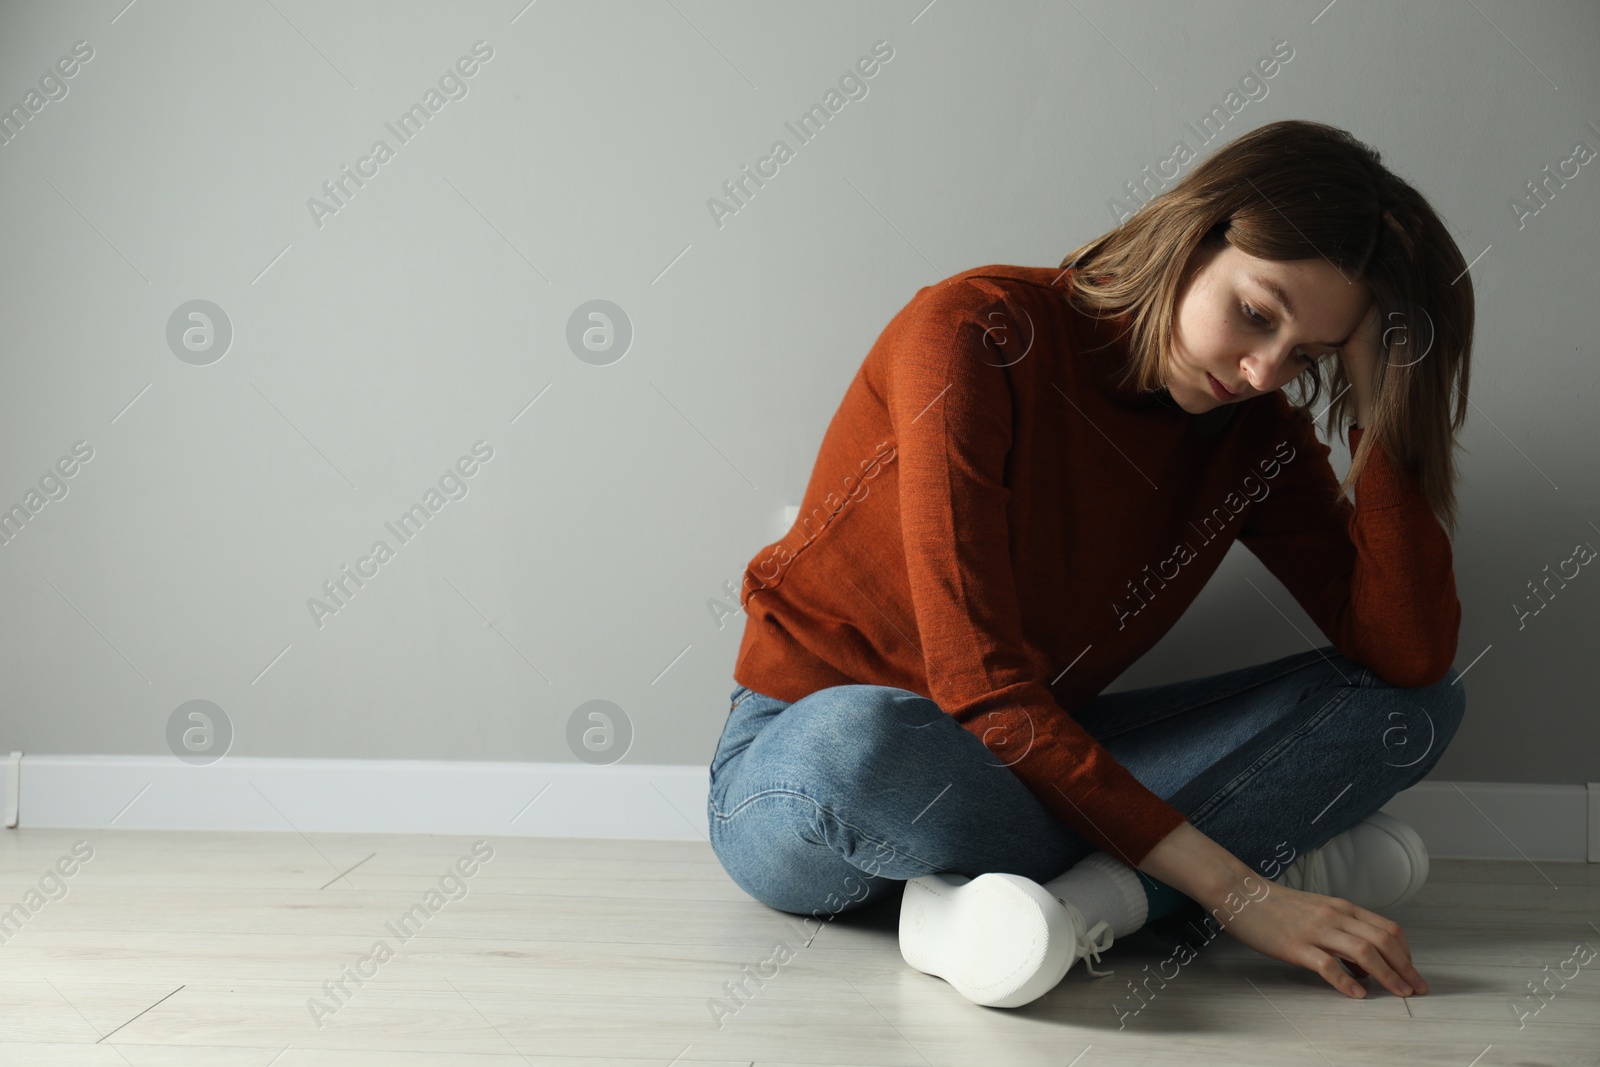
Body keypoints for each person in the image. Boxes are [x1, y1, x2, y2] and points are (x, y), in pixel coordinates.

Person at [706, 119, 1472, 1010]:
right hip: (807, 775)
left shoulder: (1255, 430)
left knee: (1412, 707)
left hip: (1034, 754)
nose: (1266, 369)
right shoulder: (974, 331)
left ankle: (1044, 911)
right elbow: (981, 685)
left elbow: (1406, 656)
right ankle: (1202, 867)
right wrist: (1241, 891)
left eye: (1311, 356)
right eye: (1257, 313)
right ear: (1196, 234)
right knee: (861, 745)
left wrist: (1385, 410)